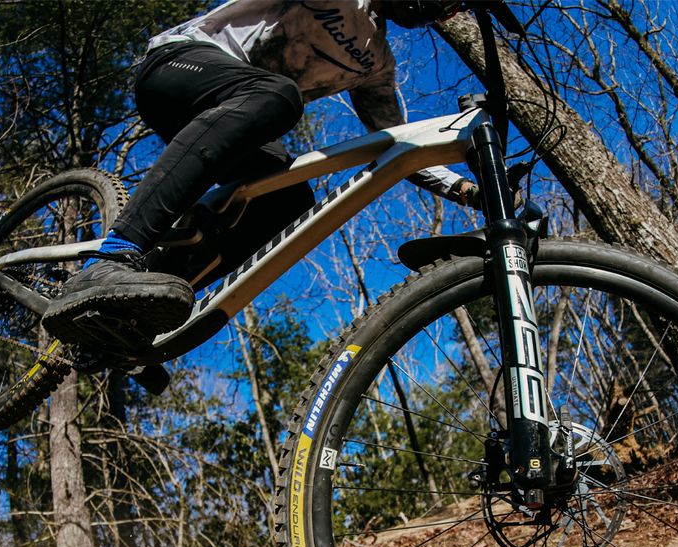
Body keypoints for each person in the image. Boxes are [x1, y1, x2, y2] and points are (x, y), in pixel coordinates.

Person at [42, 0, 477, 348]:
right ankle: (111, 257)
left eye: (452, 10)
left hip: (240, 115)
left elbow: (394, 136)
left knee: (290, 201)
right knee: (279, 95)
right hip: (180, 65)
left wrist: (460, 186)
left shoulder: (377, 62)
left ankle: (134, 308)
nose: (440, 12)